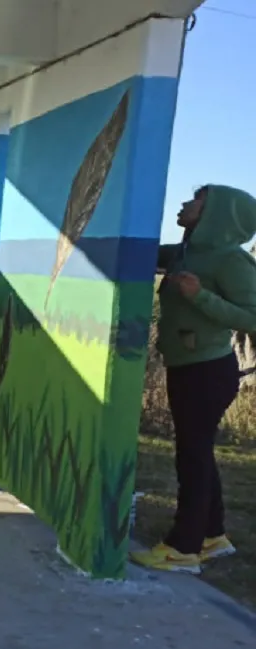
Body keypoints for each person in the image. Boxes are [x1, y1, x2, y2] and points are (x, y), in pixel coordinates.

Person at [131, 184, 256, 574]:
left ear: (218, 213)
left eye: (198, 199)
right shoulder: (186, 253)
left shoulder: (230, 260)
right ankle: (213, 536)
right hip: (186, 367)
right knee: (196, 452)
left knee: (192, 457)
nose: (186, 203)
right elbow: (142, 253)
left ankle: (183, 548)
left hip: (207, 371)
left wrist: (200, 296)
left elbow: (252, 317)